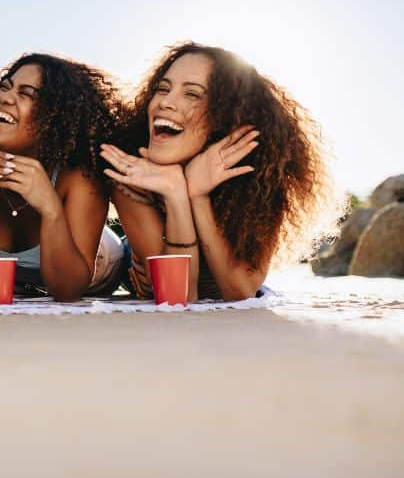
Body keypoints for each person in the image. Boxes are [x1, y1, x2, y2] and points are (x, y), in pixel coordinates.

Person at [100, 42, 342, 301]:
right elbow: (176, 296)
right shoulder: (132, 170)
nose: (166, 103)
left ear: (224, 118)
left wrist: (197, 196)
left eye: (192, 94)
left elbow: (240, 290)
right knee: (105, 254)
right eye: (163, 89)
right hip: (122, 260)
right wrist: (176, 195)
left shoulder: (263, 178)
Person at [0, 53, 126, 302]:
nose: (4, 98)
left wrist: (51, 209)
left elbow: (68, 290)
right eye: (5, 87)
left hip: (101, 263)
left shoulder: (78, 180)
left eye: (25, 94)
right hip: (18, 291)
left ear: (56, 119)